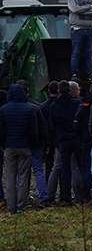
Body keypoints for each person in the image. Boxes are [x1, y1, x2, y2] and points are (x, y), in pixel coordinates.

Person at [0, 84, 41, 214]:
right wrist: (33, 145)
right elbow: (34, 131)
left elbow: (1, 130)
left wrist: (4, 144)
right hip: (25, 146)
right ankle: (21, 205)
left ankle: (11, 206)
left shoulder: (4, 109)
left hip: (9, 147)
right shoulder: (29, 109)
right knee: (24, 176)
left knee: (10, 177)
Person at [47, 82, 84, 205]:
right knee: (78, 167)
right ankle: (80, 195)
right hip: (76, 138)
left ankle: (65, 197)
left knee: (64, 169)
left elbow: (52, 125)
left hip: (62, 140)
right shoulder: (77, 103)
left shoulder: (54, 106)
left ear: (58, 90)